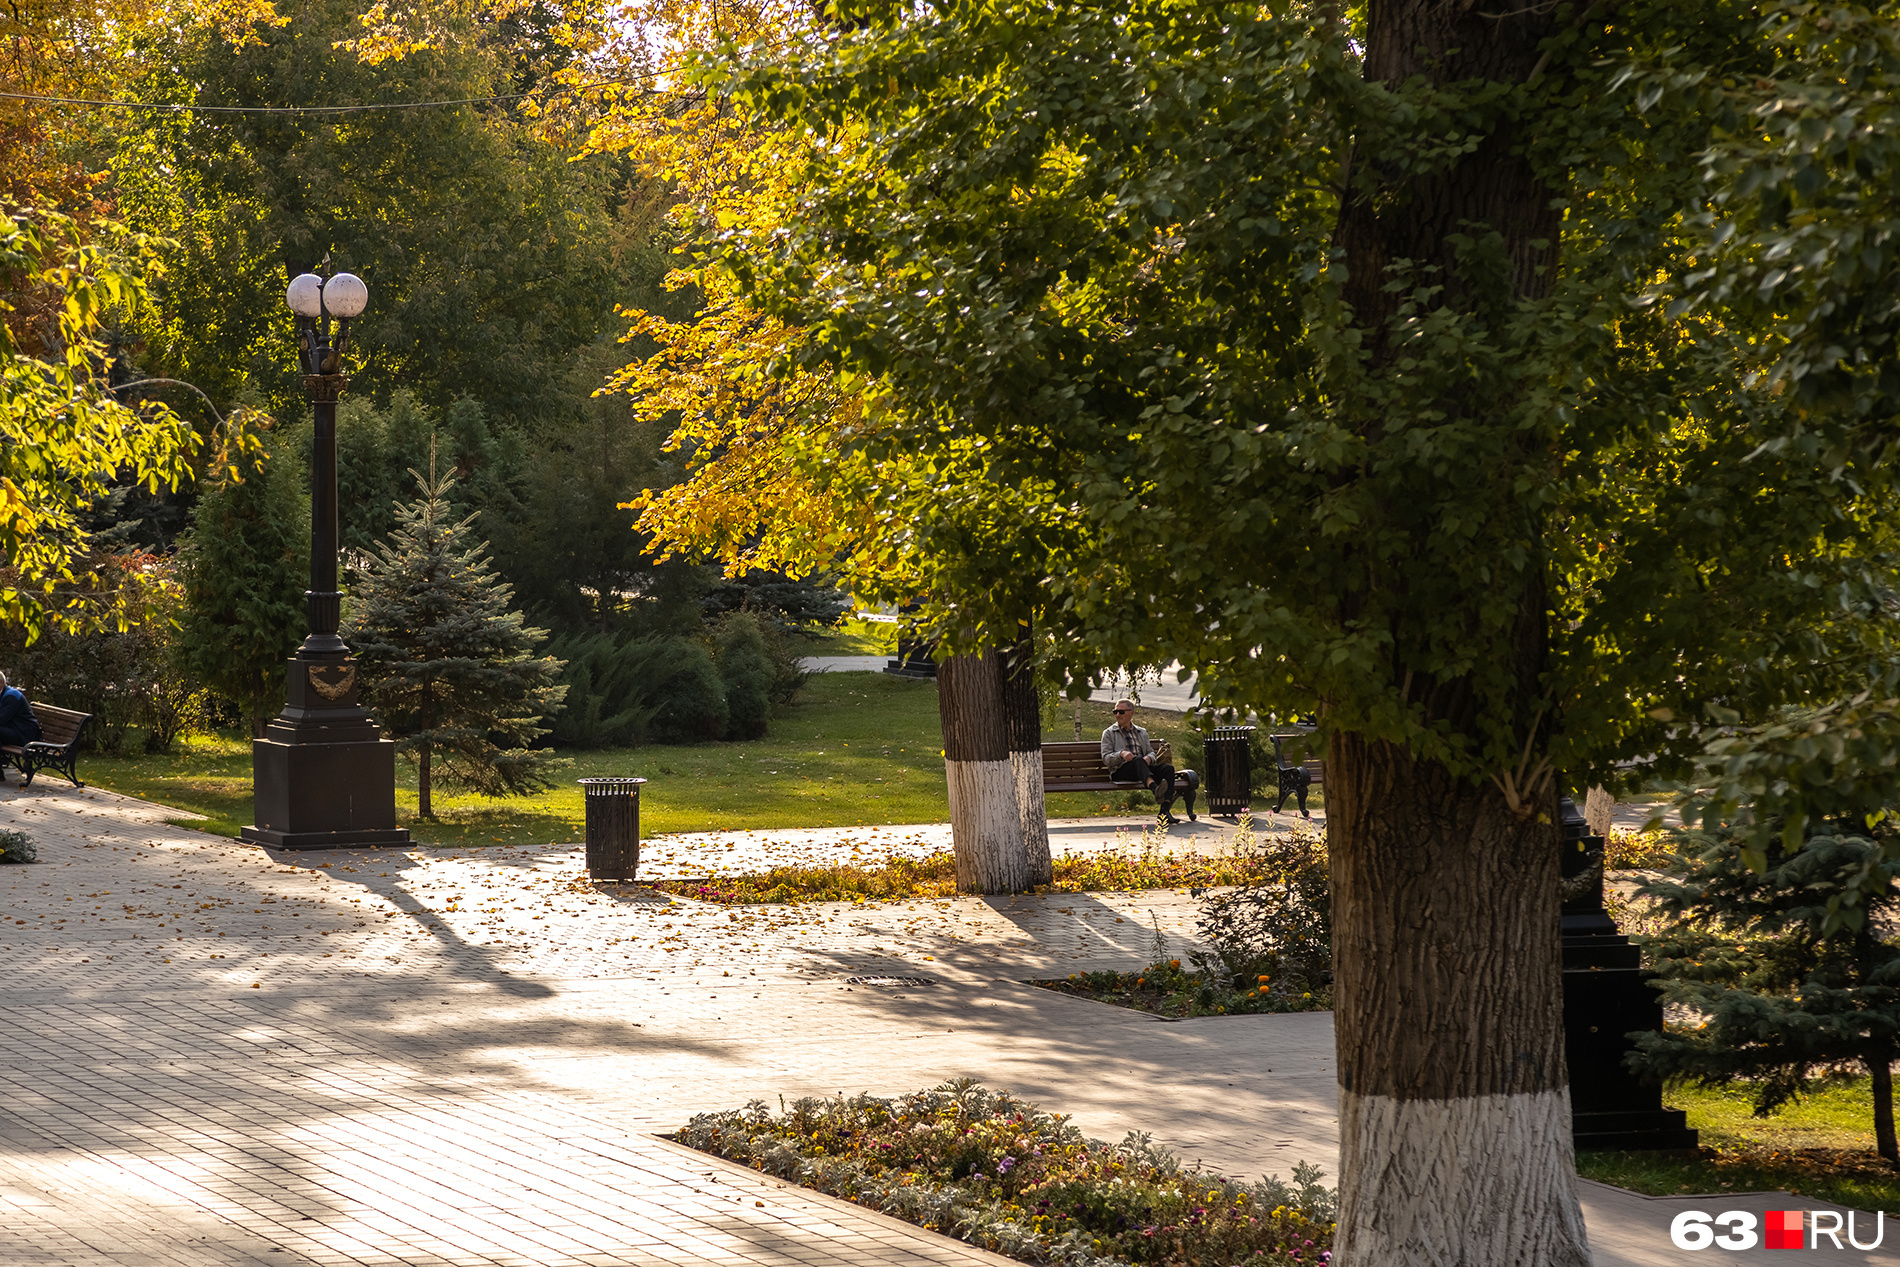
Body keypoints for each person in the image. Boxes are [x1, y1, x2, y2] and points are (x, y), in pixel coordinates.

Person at [1100, 699, 1180, 823]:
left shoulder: (1141, 732)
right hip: (1121, 771)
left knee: (1168, 769)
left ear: (1131, 713)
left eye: (1121, 712)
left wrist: (1149, 758)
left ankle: (1164, 812)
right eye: (1115, 712)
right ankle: (1155, 789)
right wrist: (1121, 754)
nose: (1117, 715)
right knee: (1137, 760)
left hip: (1142, 769)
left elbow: (1151, 753)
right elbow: (1106, 758)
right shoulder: (1109, 733)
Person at [0, 671, 41, 750]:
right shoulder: (3, 694)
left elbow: (2, 719)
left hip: (24, 734)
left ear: (1, 683)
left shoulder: (11, 696)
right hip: (14, 730)